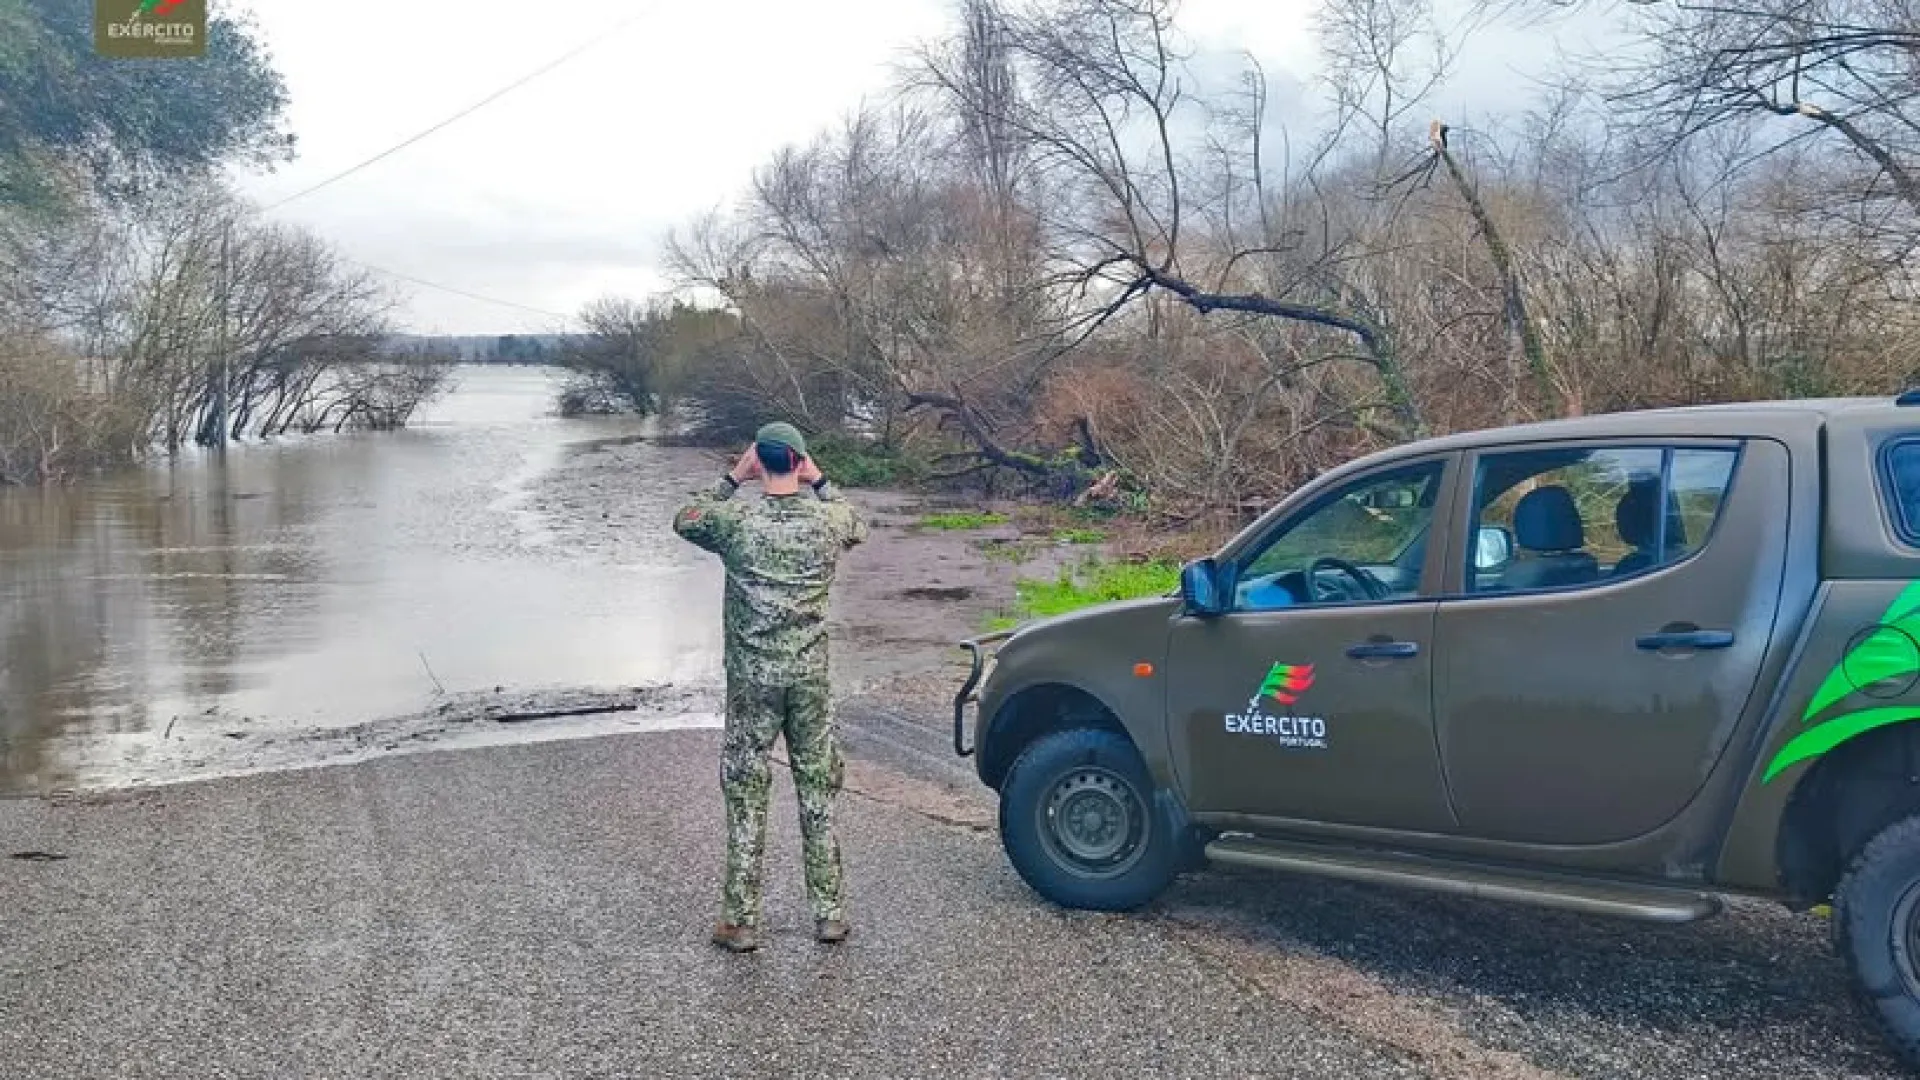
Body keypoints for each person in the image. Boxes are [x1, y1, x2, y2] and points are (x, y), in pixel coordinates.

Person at [672, 421, 869, 952]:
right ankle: (828, 912)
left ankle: (741, 919)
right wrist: (820, 480)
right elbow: (858, 522)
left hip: (753, 679)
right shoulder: (828, 523)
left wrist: (732, 477)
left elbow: (685, 519)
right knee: (818, 786)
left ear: (760, 460)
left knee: (744, 790)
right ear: (800, 462)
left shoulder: (735, 521)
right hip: (808, 678)